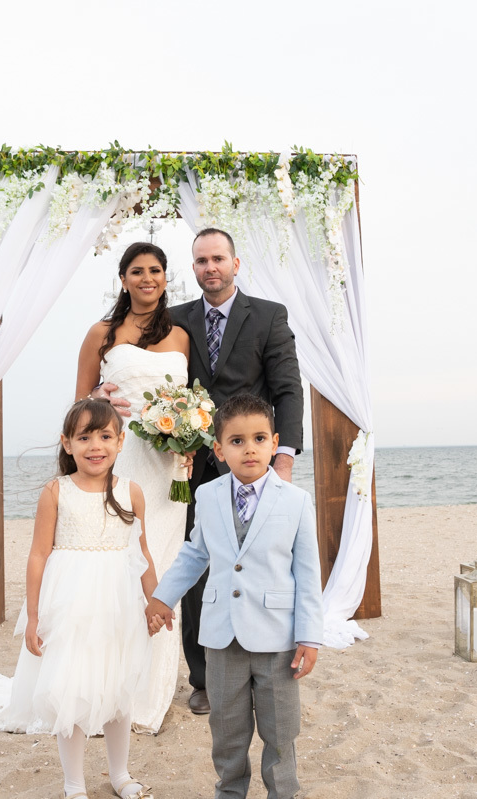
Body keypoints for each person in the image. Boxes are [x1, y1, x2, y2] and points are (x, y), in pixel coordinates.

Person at [0, 399, 157, 799]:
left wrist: (155, 602)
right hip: (70, 606)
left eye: (105, 436)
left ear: (121, 441)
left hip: (118, 607)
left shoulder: (132, 492)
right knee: (70, 690)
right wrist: (34, 615)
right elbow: (39, 555)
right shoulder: (56, 491)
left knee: (118, 689)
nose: (96, 446)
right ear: (67, 443)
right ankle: (74, 784)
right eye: (85, 437)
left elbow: (141, 553)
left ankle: (121, 774)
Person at [146, 393, 323, 799]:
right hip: (222, 636)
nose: (249, 449)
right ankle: (229, 791)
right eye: (237, 441)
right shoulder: (208, 496)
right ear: (219, 449)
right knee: (227, 729)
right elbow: (195, 554)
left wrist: (310, 636)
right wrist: (162, 597)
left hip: (278, 639)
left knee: (281, 730)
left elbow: (308, 574)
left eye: (259, 439)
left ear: (274, 443)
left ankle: (283, 792)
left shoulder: (296, 501)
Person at [167, 227, 304, 716]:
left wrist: (283, 459)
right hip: (190, 466)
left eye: (218, 258)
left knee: (259, 561)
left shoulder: (268, 316)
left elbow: (287, 388)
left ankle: (262, 663)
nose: (210, 267)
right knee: (197, 565)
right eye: (201, 260)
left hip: (252, 462)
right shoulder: (174, 319)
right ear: (194, 267)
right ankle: (203, 678)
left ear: (235, 263)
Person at [80, 241, 190, 734]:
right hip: (122, 463)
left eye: (156, 270)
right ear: (123, 279)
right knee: (119, 570)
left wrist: (191, 439)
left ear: (166, 278)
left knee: (162, 570)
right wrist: (97, 396)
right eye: (137, 271)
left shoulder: (181, 336)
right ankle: (106, 687)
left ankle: (149, 695)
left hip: (168, 472)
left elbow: (191, 402)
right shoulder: (101, 333)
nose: (148, 278)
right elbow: (80, 405)